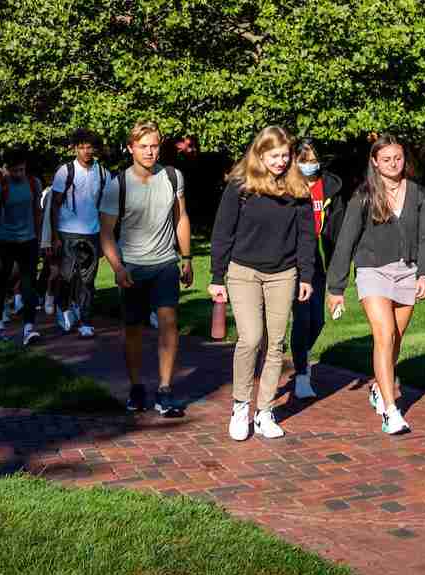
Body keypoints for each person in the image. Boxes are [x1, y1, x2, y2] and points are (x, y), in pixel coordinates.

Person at [325, 134, 425, 435]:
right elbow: (346, 241)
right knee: (384, 335)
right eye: (386, 159)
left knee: (395, 339)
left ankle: (378, 386)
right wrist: (336, 288)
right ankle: (391, 410)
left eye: (398, 158)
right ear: (375, 162)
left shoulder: (418, 195)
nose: (393, 164)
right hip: (372, 270)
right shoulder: (363, 196)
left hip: (407, 271)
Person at [209, 126, 315, 441]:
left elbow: (306, 236)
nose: (281, 161)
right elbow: (222, 233)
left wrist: (306, 275)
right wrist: (217, 277)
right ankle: (241, 405)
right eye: (274, 156)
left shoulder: (297, 189)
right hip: (244, 272)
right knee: (251, 338)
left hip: (283, 274)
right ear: (260, 154)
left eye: (285, 155)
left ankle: (265, 410)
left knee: (276, 343)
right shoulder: (240, 187)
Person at [99, 121, 194, 416]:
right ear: (131, 149)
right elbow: (106, 233)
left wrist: (187, 257)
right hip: (133, 267)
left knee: (168, 324)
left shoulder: (172, 177)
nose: (150, 152)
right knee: (134, 330)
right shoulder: (118, 185)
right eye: (143, 146)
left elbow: (181, 218)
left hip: (165, 262)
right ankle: (137, 388)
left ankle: (164, 390)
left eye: (154, 145)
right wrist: (117, 267)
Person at [49, 130, 119, 338]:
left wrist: (106, 234)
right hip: (67, 231)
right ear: (75, 148)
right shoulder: (65, 171)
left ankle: (86, 320)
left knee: (88, 280)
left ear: (95, 149)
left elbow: (107, 205)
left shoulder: (103, 173)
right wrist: (54, 236)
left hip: (92, 231)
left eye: (89, 147)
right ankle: (64, 309)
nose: (86, 151)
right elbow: (55, 204)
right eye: (82, 147)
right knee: (67, 276)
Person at [291, 137, 345, 399]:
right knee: (301, 320)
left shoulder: (331, 188)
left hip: (315, 261)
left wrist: (339, 280)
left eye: (313, 161)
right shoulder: (287, 185)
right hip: (288, 262)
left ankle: (301, 352)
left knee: (317, 321)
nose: (308, 166)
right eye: (303, 161)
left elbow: (335, 235)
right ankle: (302, 374)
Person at [0, 153, 48, 346]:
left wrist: (39, 240)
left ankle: (29, 328)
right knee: (1, 283)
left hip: (27, 240)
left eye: (21, 169)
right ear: (7, 169)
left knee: (29, 285)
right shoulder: (0, 186)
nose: (19, 173)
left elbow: (37, 212)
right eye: (15, 170)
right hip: (5, 241)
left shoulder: (33, 183)